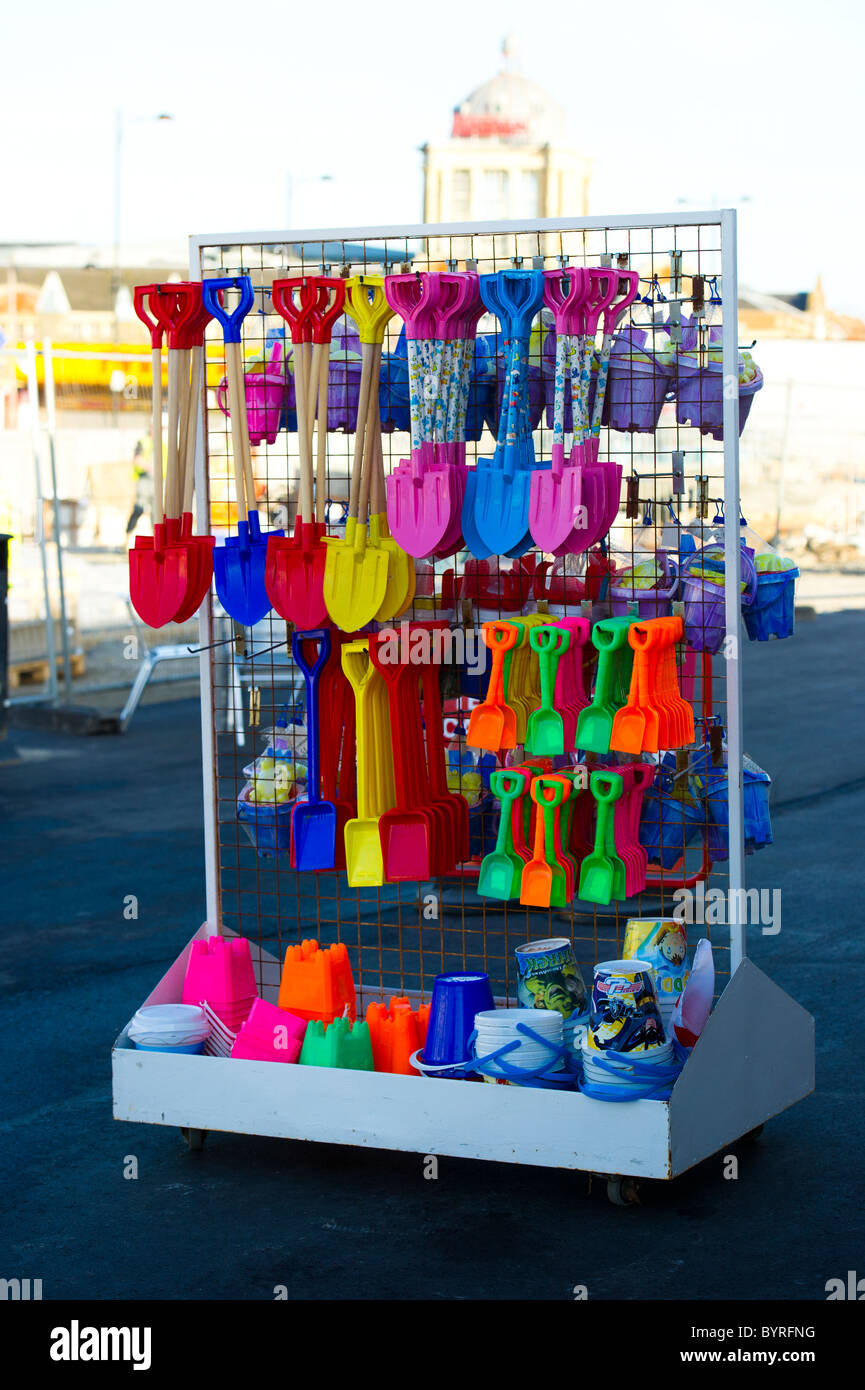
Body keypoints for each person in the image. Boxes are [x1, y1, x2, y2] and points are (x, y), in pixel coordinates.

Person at [126, 437, 154, 535]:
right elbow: (137, 459)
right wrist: (150, 467)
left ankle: (157, 537)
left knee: (156, 512)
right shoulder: (144, 442)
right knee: (139, 508)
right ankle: (128, 534)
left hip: (157, 481)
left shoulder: (165, 441)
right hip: (144, 479)